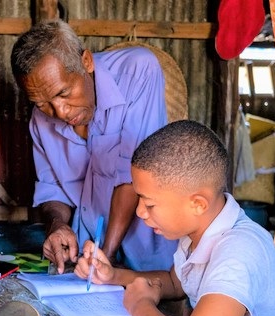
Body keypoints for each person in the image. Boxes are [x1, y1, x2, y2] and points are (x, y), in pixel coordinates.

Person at [75, 120, 275, 316]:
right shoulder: (199, 232)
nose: (141, 212)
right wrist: (112, 276)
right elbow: (175, 282)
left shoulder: (240, 250)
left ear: (197, 204)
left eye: (149, 202)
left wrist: (140, 305)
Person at [10, 19, 177, 273]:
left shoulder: (138, 71)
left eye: (64, 93)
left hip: (148, 256)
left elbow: (131, 176)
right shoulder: (40, 119)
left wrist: (104, 258)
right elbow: (52, 189)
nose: (60, 112)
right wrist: (57, 225)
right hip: (87, 254)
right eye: (43, 103)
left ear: (86, 62)